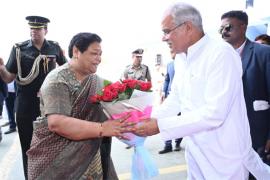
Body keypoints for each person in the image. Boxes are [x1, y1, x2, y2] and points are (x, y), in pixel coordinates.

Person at [132, 2, 270, 179]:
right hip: (196, 154)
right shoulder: (182, 58)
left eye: (167, 31)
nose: (163, 38)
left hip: (225, 158)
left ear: (187, 27)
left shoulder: (221, 54)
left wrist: (159, 126)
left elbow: (215, 113)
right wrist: (148, 118)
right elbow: (176, 99)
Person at [27, 32, 133, 180]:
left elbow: (120, 101)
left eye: (100, 54)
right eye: (94, 54)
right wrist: (102, 128)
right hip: (58, 161)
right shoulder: (57, 80)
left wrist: (135, 120)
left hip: (91, 156)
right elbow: (57, 123)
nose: (99, 59)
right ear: (76, 51)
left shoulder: (96, 81)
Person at [0, 15, 67, 179]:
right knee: (28, 148)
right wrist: (1, 68)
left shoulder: (55, 48)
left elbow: (66, 70)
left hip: (50, 105)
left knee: (51, 145)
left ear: (46, 30)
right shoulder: (19, 49)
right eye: (31, 28)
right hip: (26, 105)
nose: (34, 32)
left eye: (37, 29)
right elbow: (9, 77)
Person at [220, 11, 270, 167]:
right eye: (220, 29)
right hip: (227, 136)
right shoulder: (219, 58)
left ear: (243, 27)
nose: (223, 32)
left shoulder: (264, 53)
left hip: (257, 136)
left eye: (228, 27)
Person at [159, 51, 182, 154]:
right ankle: (167, 145)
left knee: (179, 122)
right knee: (166, 121)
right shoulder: (169, 65)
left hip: (181, 99)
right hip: (169, 96)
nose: (171, 53)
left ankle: (177, 143)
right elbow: (167, 79)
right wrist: (163, 92)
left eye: (173, 51)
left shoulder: (185, 64)